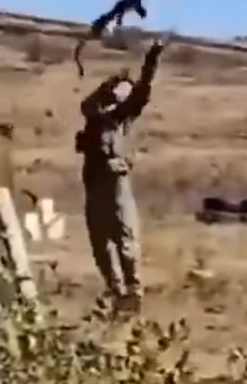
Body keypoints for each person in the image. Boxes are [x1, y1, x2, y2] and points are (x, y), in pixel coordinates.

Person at [76, 38, 165, 311]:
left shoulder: (123, 116)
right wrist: (112, 83)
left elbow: (143, 92)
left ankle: (132, 294)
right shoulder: (95, 114)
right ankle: (115, 293)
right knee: (100, 244)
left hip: (115, 184)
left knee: (125, 240)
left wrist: (151, 59)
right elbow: (89, 104)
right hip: (95, 184)